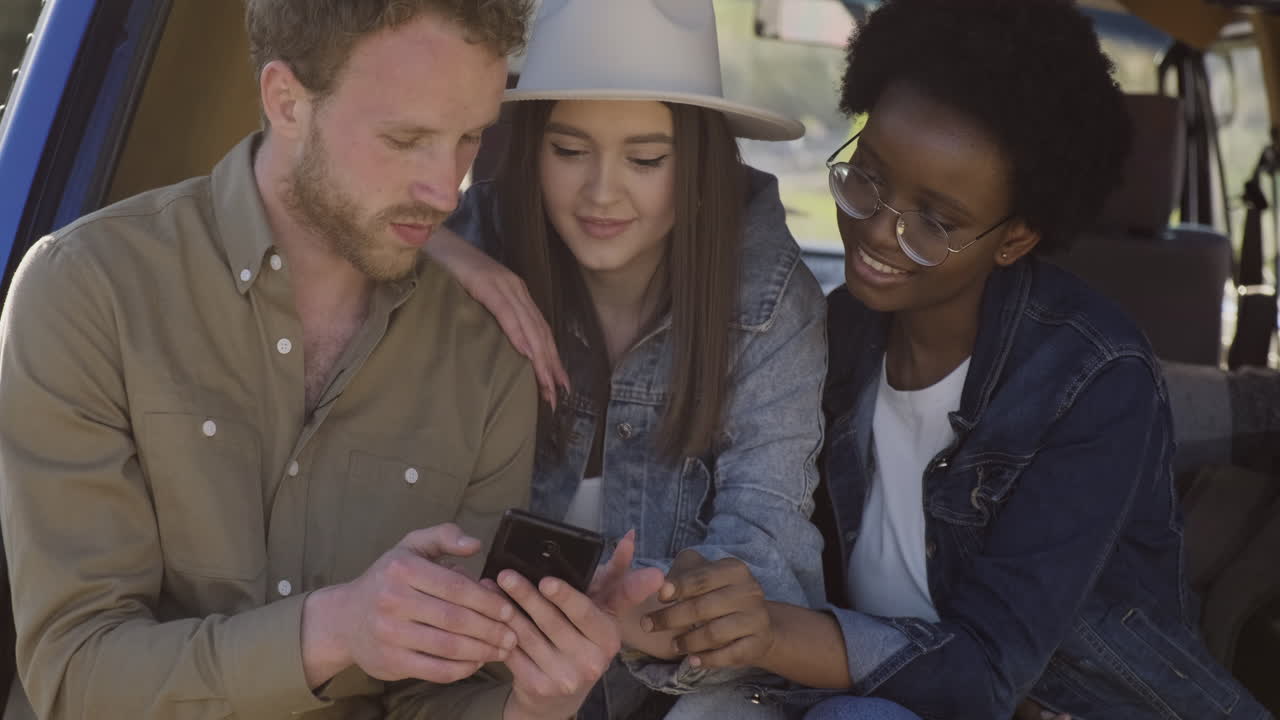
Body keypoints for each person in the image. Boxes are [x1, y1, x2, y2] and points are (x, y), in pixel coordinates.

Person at [0, 1, 662, 719]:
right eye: (406, 139)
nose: (446, 191)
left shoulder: (487, 357)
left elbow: (433, 699)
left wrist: (534, 702)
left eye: (470, 138)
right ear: (286, 101)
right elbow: (76, 675)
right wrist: (336, 629)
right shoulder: (89, 292)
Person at [640, 0, 1272, 718]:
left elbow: (987, 672)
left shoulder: (1094, 380)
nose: (878, 232)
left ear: (1016, 239)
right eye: (867, 178)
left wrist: (771, 633)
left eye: (935, 222)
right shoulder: (833, 336)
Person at [426, 0, 828, 716]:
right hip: (475, 682)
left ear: (699, 161)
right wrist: (435, 248)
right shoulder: (471, 245)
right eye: (568, 151)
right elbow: (323, 210)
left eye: (645, 159)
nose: (601, 192)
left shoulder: (769, 301)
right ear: (529, 147)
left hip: (667, 694)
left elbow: (766, 562)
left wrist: (618, 615)